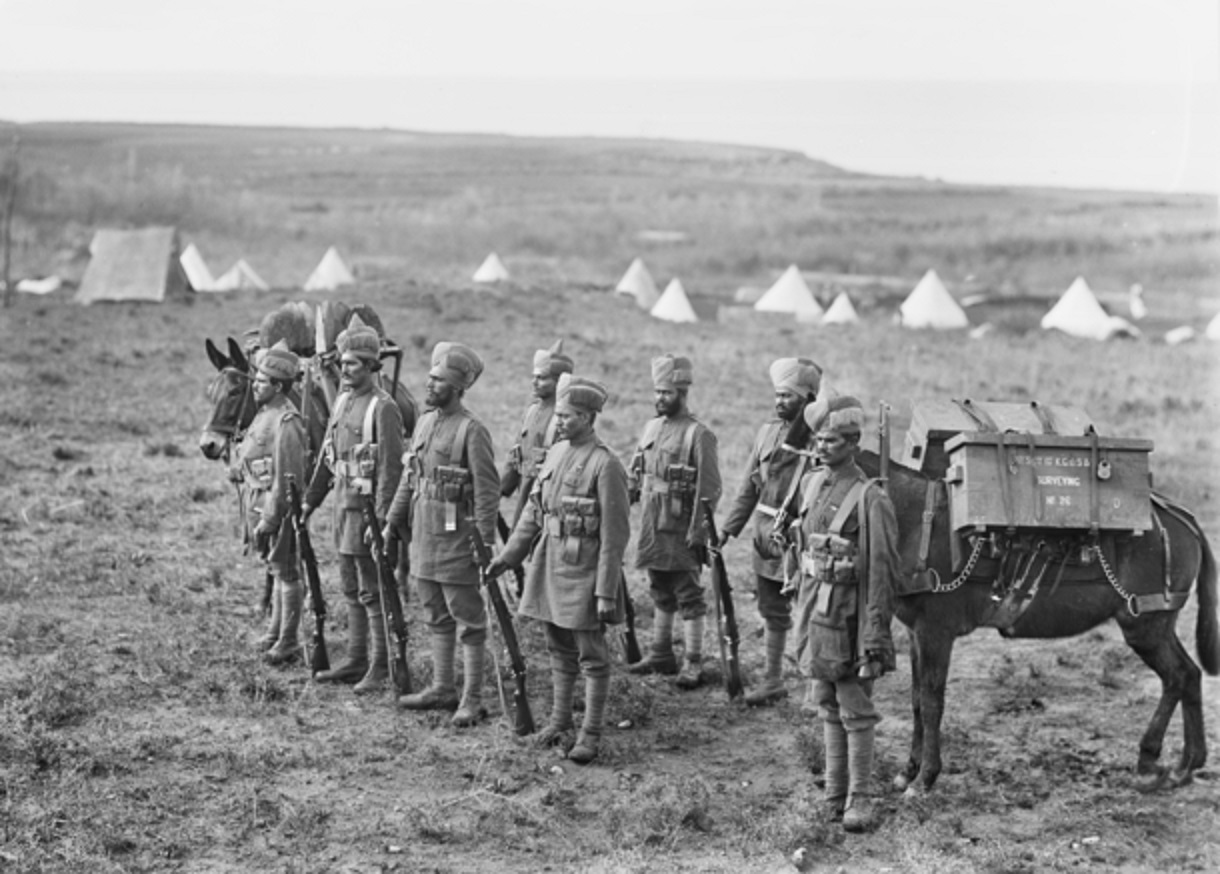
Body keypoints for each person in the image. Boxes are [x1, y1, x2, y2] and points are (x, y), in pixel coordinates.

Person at [488, 374, 630, 763]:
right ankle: (559, 721)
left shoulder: (606, 465)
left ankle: (591, 734)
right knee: (557, 648)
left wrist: (604, 591)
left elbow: (614, 537)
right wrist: (509, 556)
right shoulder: (553, 454)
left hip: (585, 572)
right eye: (560, 416)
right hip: (549, 564)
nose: (560, 422)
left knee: (592, 656)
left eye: (569, 416)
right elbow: (534, 512)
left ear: (588, 418)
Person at [790, 395, 899, 832]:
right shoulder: (812, 484)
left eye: (830, 440)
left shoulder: (872, 498)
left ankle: (861, 798)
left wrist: (874, 636)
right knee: (826, 703)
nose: (820, 446)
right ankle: (834, 795)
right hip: (815, 615)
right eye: (817, 439)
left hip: (851, 621)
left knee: (855, 707)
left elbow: (882, 576)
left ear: (853, 443)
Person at [387, 341, 499, 727]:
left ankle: (472, 698)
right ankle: (441, 687)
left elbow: (487, 494)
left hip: (456, 540)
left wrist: (484, 545)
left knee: (468, 618)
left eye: (437, 381)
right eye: (430, 378)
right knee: (434, 612)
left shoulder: (473, 431)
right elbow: (410, 476)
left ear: (456, 388)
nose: (429, 386)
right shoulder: (423, 422)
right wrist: (391, 520)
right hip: (424, 535)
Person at [303, 315, 404, 693]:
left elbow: (391, 471)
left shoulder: (384, 408)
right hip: (341, 510)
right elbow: (328, 459)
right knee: (349, 586)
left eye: (352, 364)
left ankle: (380, 665)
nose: (344, 369)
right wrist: (310, 502)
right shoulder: (343, 400)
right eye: (342, 363)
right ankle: (356, 658)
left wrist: (380, 521)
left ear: (372, 366)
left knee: (372, 588)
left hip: (367, 516)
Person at [718, 358, 822, 705]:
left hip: (802, 539)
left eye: (788, 397)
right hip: (765, 536)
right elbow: (749, 486)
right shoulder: (766, 433)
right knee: (772, 609)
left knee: (812, 611)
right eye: (777, 396)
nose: (779, 403)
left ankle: (814, 689)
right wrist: (728, 530)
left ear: (808, 399)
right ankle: (773, 680)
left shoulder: (821, 440)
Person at [626, 354, 722, 689]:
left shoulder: (699, 435)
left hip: (682, 528)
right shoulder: (652, 427)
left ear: (682, 393)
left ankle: (693, 661)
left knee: (688, 595)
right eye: (657, 392)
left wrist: (698, 532)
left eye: (666, 393)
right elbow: (636, 472)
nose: (660, 399)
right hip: (653, 525)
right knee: (659, 589)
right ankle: (660, 653)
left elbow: (710, 489)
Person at [231, 340, 309, 665]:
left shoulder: (286, 421)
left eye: (262, 383)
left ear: (278, 386)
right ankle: (275, 633)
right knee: (275, 569)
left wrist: (272, 518)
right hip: (258, 503)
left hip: (275, 508)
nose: (255, 388)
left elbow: (287, 478)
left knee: (288, 571)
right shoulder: (265, 414)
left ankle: (289, 641)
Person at [500, 339, 574, 528]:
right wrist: (499, 490)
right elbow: (516, 453)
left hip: (548, 500)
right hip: (524, 493)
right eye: (534, 376)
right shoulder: (532, 411)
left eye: (541, 378)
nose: (534, 382)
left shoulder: (565, 418)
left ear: (558, 381)